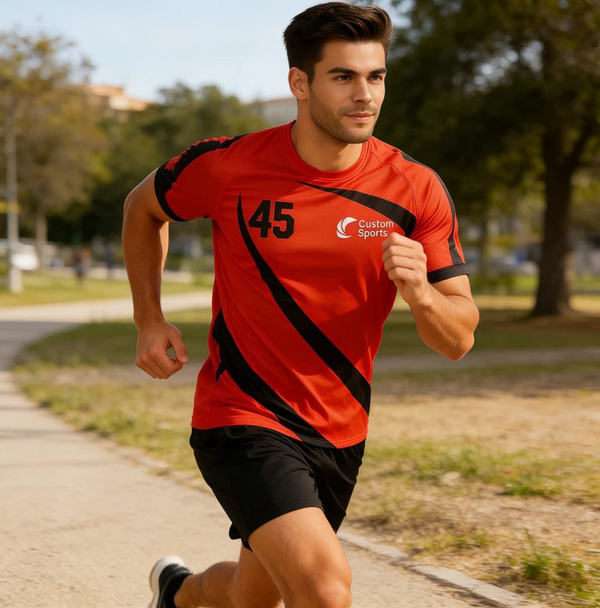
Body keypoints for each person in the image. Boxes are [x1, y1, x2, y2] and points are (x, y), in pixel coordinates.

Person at [122, 3, 479, 607]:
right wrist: (148, 318)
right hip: (241, 414)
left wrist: (419, 294)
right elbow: (143, 207)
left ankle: (178, 595)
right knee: (323, 589)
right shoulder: (230, 165)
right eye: (343, 76)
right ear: (299, 83)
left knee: (250, 597)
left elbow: (458, 338)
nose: (364, 94)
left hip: (340, 430)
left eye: (376, 76)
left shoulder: (415, 188)